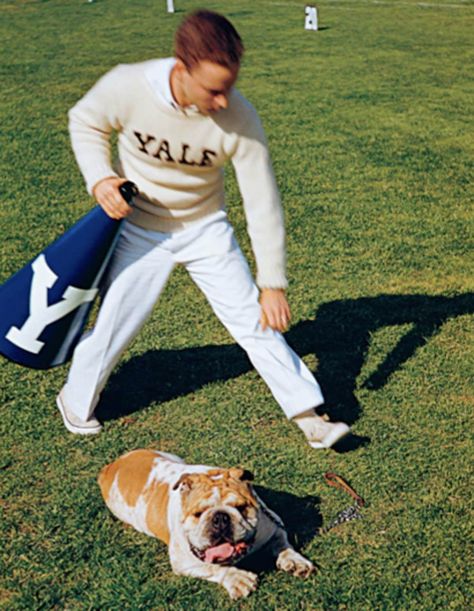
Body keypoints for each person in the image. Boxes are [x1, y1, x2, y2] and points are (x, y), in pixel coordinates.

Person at [57, 9, 350, 449]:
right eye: (214, 90)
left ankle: (309, 416)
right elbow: (86, 119)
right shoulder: (128, 84)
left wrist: (272, 283)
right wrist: (101, 177)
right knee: (118, 319)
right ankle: (75, 401)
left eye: (230, 87)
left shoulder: (240, 118)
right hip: (141, 226)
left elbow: (261, 200)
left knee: (254, 320)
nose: (223, 102)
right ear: (182, 69)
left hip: (205, 229)